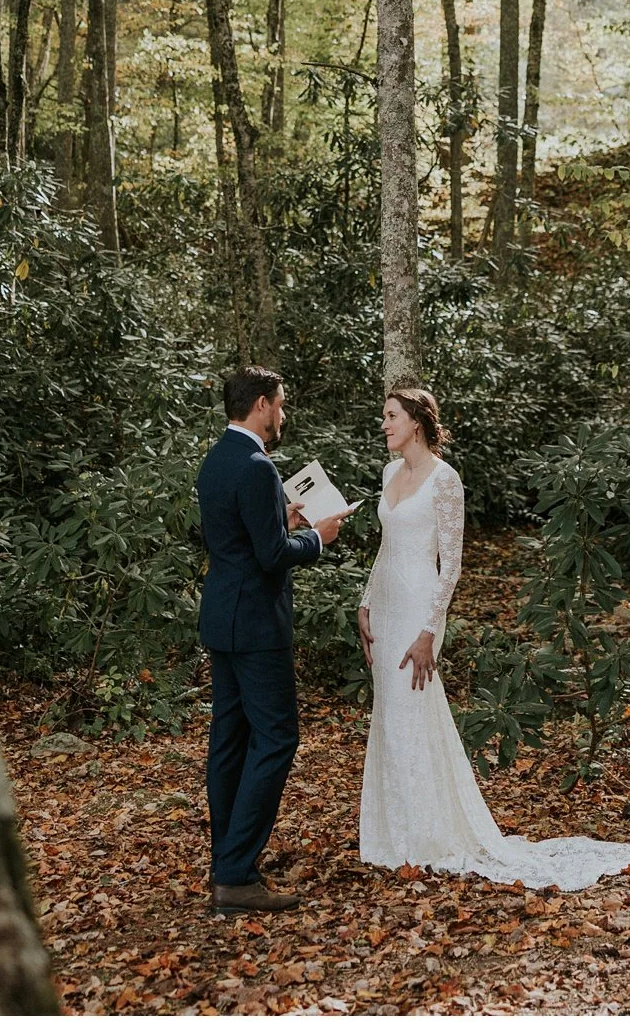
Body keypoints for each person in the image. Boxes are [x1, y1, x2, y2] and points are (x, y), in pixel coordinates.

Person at [356, 387, 630, 891]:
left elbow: (452, 565)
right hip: (385, 604)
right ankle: (394, 834)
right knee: (391, 715)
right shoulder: (389, 474)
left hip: (420, 607)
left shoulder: (445, 480)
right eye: (384, 417)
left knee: (412, 707)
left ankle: (426, 835)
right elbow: (385, 547)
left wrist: (428, 631)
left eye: (391, 416)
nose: (384, 424)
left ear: (417, 422)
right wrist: (365, 601)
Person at [196, 367, 350, 913]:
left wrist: (278, 518)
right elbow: (271, 556)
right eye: (280, 405)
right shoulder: (258, 465)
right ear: (261, 404)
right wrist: (318, 537)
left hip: (223, 619)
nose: (283, 415)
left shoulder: (217, 459)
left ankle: (226, 861)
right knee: (278, 738)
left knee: (229, 741)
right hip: (258, 626)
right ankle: (236, 873)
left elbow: (235, 536)